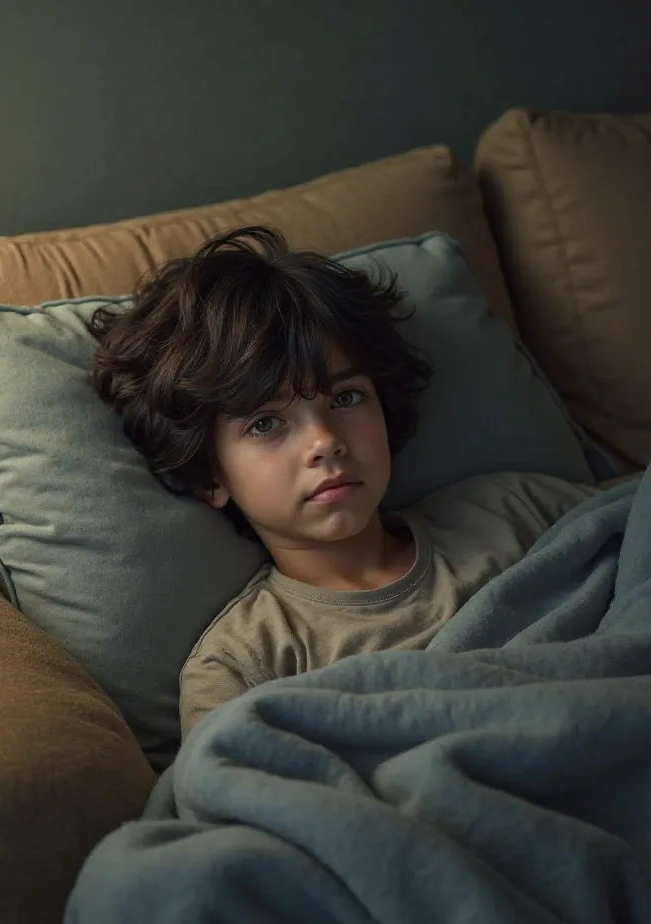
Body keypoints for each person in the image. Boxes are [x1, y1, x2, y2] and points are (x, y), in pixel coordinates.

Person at [91, 225, 599, 739]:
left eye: (346, 398)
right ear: (210, 475)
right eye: (265, 423)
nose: (325, 441)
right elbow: (229, 791)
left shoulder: (515, 508)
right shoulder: (244, 663)